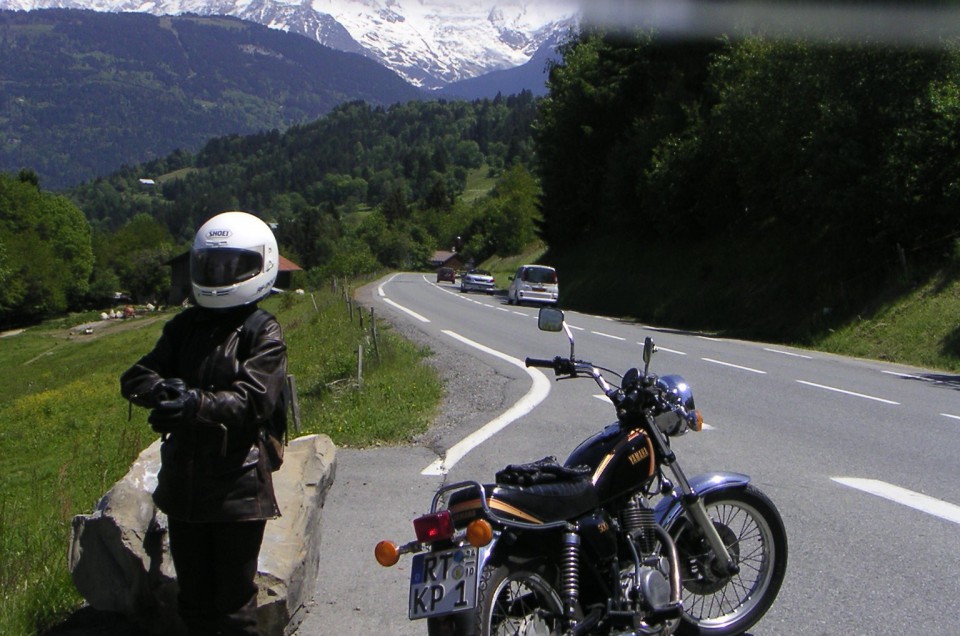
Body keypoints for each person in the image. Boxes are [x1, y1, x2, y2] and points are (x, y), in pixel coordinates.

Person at [121, 211, 287, 635]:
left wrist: (193, 403)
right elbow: (137, 375)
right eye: (212, 265)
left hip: (238, 485)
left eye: (233, 266)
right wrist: (164, 393)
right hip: (185, 483)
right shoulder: (184, 326)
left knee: (233, 607)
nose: (220, 274)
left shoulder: (261, 330)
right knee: (192, 603)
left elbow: (254, 399)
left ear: (260, 265)